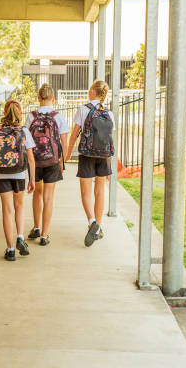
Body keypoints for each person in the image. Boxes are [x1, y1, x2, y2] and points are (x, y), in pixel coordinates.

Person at [65, 80, 115, 247]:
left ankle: (93, 222)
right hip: (104, 156)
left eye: (90, 89)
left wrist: (66, 154)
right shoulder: (109, 113)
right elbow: (110, 138)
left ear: (93, 92)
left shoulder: (84, 109)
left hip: (86, 154)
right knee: (100, 191)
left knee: (85, 191)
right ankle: (97, 228)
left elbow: (73, 135)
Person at [0, 100, 36, 261]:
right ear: (20, 113)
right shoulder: (24, 131)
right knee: (19, 206)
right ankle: (20, 237)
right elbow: (30, 158)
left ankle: (10, 250)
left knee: (7, 210)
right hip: (19, 173)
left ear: (4, 113)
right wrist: (32, 180)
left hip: (1, 173)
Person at [25, 83, 69, 246]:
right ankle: (44, 235)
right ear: (53, 99)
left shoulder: (31, 116)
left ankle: (36, 227)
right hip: (52, 161)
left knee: (37, 193)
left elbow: (27, 140)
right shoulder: (58, 117)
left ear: (38, 98)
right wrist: (62, 162)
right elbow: (63, 141)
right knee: (48, 197)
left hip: (35, 162)